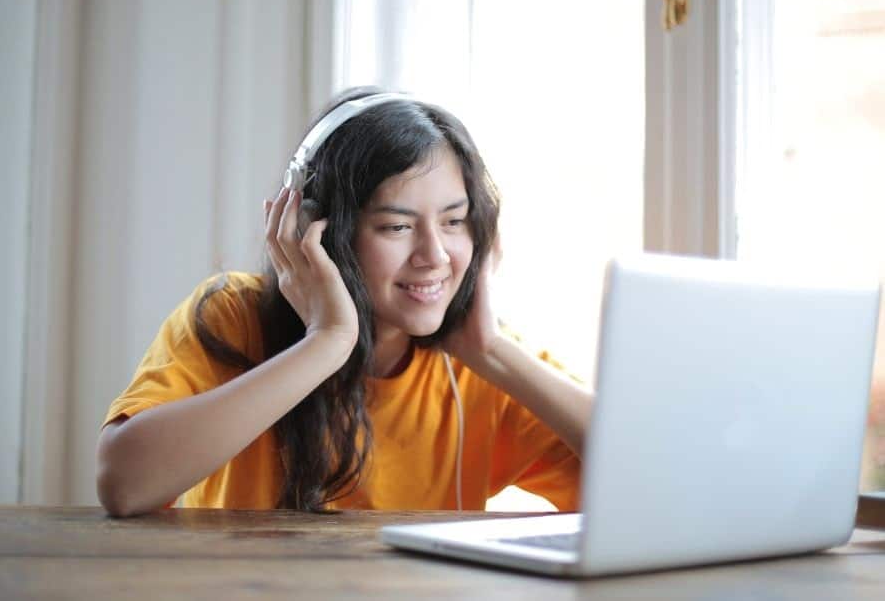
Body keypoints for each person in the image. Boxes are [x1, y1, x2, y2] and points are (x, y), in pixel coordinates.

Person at [96, 87, 593, 517]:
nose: (435, 255)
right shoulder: (232, 316)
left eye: (454, 221)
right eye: (396, 227)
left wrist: (492, 353)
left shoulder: (477, 364)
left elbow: (656, 485)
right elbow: (124, 484)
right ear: (320, 232)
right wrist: (327, 342)